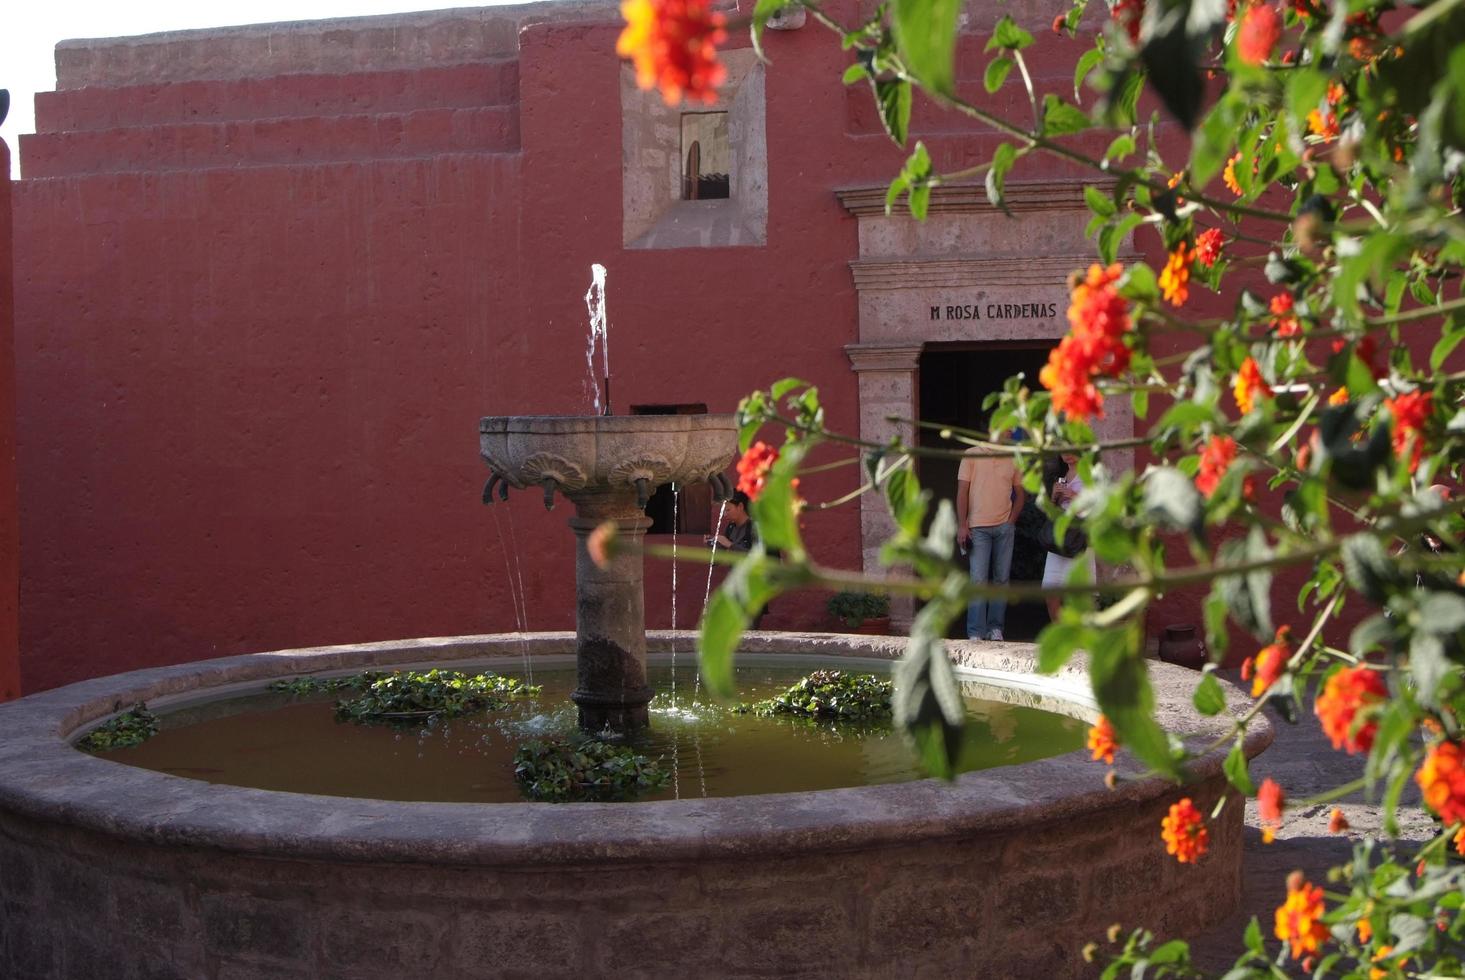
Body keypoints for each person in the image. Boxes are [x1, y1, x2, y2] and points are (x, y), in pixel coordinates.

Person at [956, 433, 1025, 641]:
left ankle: (995, 628)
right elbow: (962, 492)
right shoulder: (971, 454)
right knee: (978, 580)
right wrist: (962, 525)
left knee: (1001, 580)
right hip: (978, 528)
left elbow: (1021, 493)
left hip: (1004, 527)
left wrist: (1011, 521)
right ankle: (975, 632)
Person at [1042, 453, 1096, 622]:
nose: (1067, 454)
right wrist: (1053, 498)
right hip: (1059, 541)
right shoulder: (1060, 477)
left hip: (1078, 540)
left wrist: (1074, 496)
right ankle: (1061, 634)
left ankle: (1079, 640)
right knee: (1050, 593)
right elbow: (1051, 514)